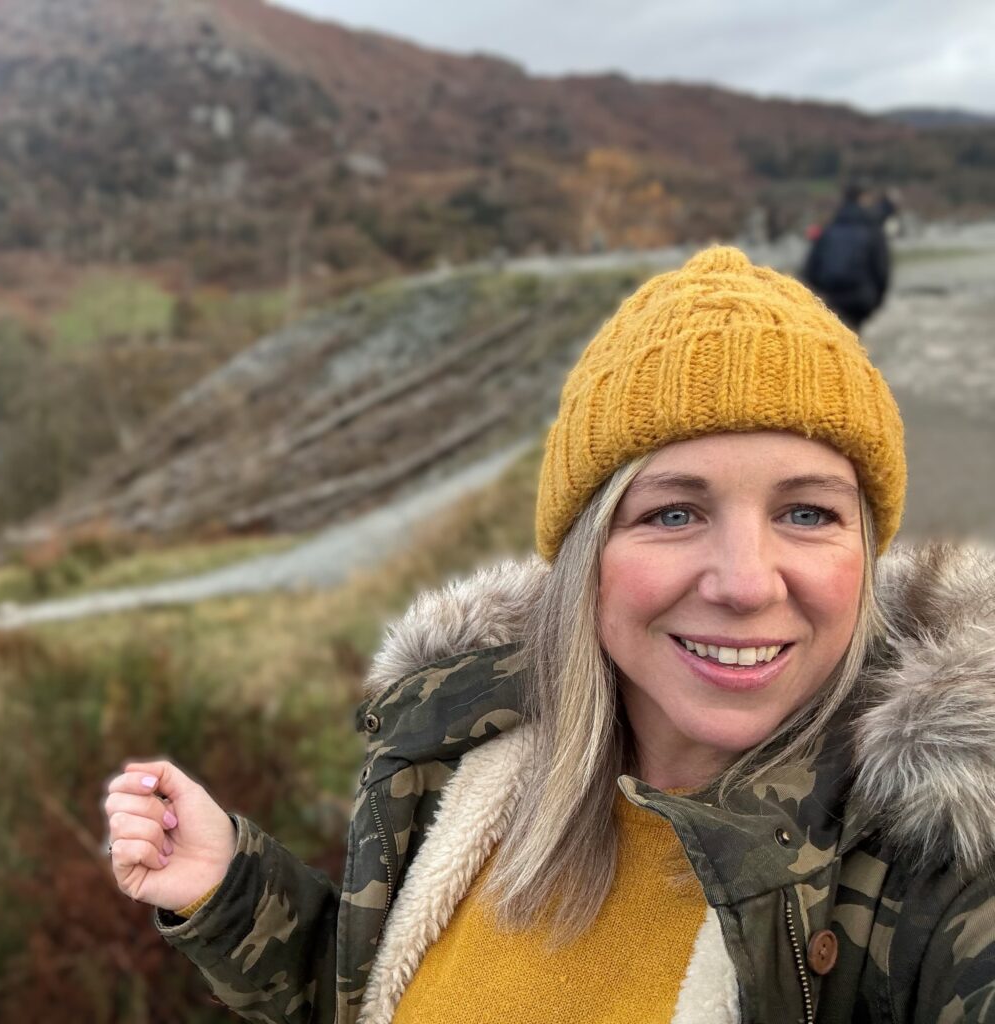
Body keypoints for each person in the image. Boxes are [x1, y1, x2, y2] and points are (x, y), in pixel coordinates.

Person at [105, 247, 995, 1024]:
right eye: (674, 512)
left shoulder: (941, 868)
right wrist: (235, 895)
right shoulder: (466, 757)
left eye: (807, 512)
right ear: (586, 557)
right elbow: (386, 991)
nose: (745, 582)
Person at [803, 184, 890, 331]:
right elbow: (881, 270)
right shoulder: (872, 230)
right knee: (854, 337)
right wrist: (876, 300)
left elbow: (811, 269)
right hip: (861, 299)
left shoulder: (829, 229)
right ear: (863, 198)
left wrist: (821, 295)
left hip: (831, 298)